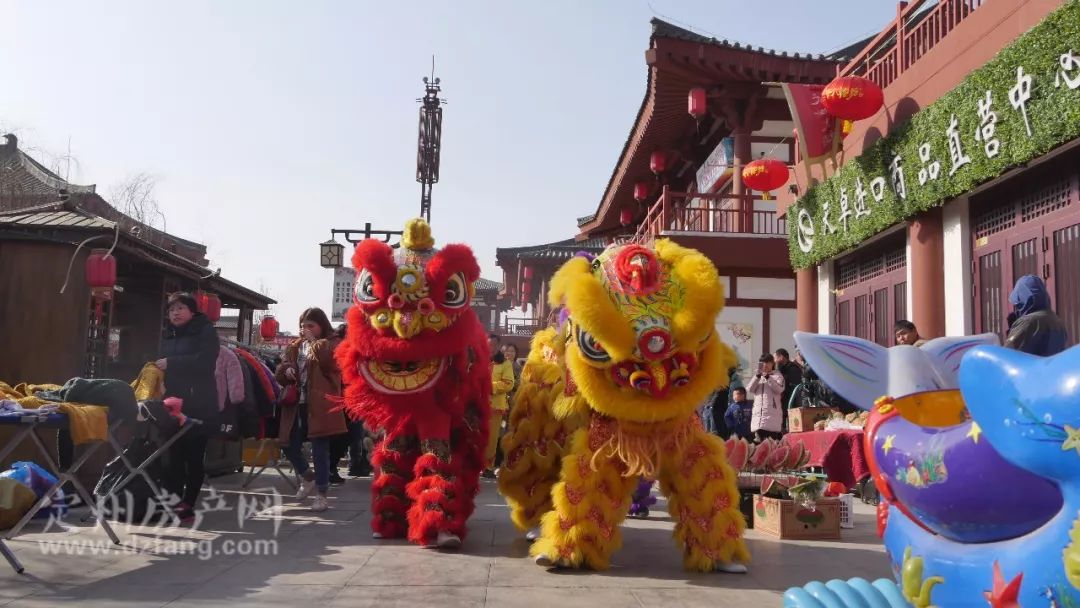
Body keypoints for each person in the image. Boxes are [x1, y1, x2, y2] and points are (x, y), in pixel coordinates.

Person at [275, 308, 347, 512]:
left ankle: (322, 494)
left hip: (320, 404)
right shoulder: (296, 346)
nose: (305, 329)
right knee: (287, 443)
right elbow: (281, 369)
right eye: (303, 325)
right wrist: (286, 370)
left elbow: (330, 362)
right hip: (297, 404)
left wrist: (314, 343)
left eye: (310, 325)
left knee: (320, 450)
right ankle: (308, 476)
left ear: (321, 326)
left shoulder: (332, 342)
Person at [157, 292, 220, 523]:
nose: (175, 312)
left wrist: (172, 363)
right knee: (172, 454)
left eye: (180, 307)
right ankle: (173, 501)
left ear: (192, 311)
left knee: (194, 455)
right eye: (172, 309)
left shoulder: (205, 330)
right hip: (171, 401)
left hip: (198, 402)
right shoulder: (169, 333)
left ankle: (188, 503)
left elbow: (206, 362)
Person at [1005, 274, 1069, 356]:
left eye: (1018, 304)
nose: (1017, 308)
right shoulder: (1057, 320)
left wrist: (1014, 329)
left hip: (1030, 368)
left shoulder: (1027, 322)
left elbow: (1008, 355)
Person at [485, 333, 516, 478]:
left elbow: (509, 383)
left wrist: (488, 386)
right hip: (476, 406)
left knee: (491, 438)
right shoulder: (478, 359)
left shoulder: (505, 363)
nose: (490, 348)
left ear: (498, 346)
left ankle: (488, 466)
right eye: (488, 344)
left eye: (493, 345)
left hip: (495, 407)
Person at [746, 353, 785, 442]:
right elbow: (750, 389)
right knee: (759, 446)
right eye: (762, 362)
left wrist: (768, 377)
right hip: (758, 417)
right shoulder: (757, 376)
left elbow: (779, 389)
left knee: (771, 445)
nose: (765, 365)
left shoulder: (777, 375)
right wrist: (757, 377)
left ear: (772, 363)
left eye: (768, 362)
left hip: (772, 415)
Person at [774, 348, 802, 432]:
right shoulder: (782, 369)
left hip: (790, 404)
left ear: (781, 357)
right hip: (782, 403)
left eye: (775, 358)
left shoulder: (793, 369)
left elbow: (794, 388)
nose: (774, 361)